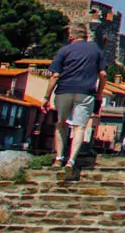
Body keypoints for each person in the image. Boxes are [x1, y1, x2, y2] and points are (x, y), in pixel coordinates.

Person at [43, 33, 108, 180]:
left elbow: (54, 76)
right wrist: (99, 93)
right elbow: (103, 75)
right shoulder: (97, 51)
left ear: (71, 36)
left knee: (61, 123)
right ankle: (71, 161)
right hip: (86, 92)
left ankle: (59, 158)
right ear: (85, 36)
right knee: (79, 127)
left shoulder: (64, 50)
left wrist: (46, 97)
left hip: (64, 90)